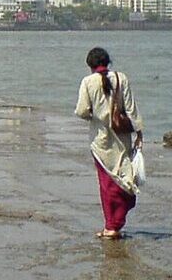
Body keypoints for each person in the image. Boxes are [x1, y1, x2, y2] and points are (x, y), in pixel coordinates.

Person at [75, 47, 144, 240]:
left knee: (106, 183)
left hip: (100, 139)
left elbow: (81, 111)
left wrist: (95, 116)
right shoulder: (122, 78)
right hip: (122, 137)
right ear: (108, 62)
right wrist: (139, 133)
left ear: (90, 65)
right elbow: (132, 110)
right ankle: (115, 224)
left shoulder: (88, 82)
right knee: (123, 178)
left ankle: (111, 225)